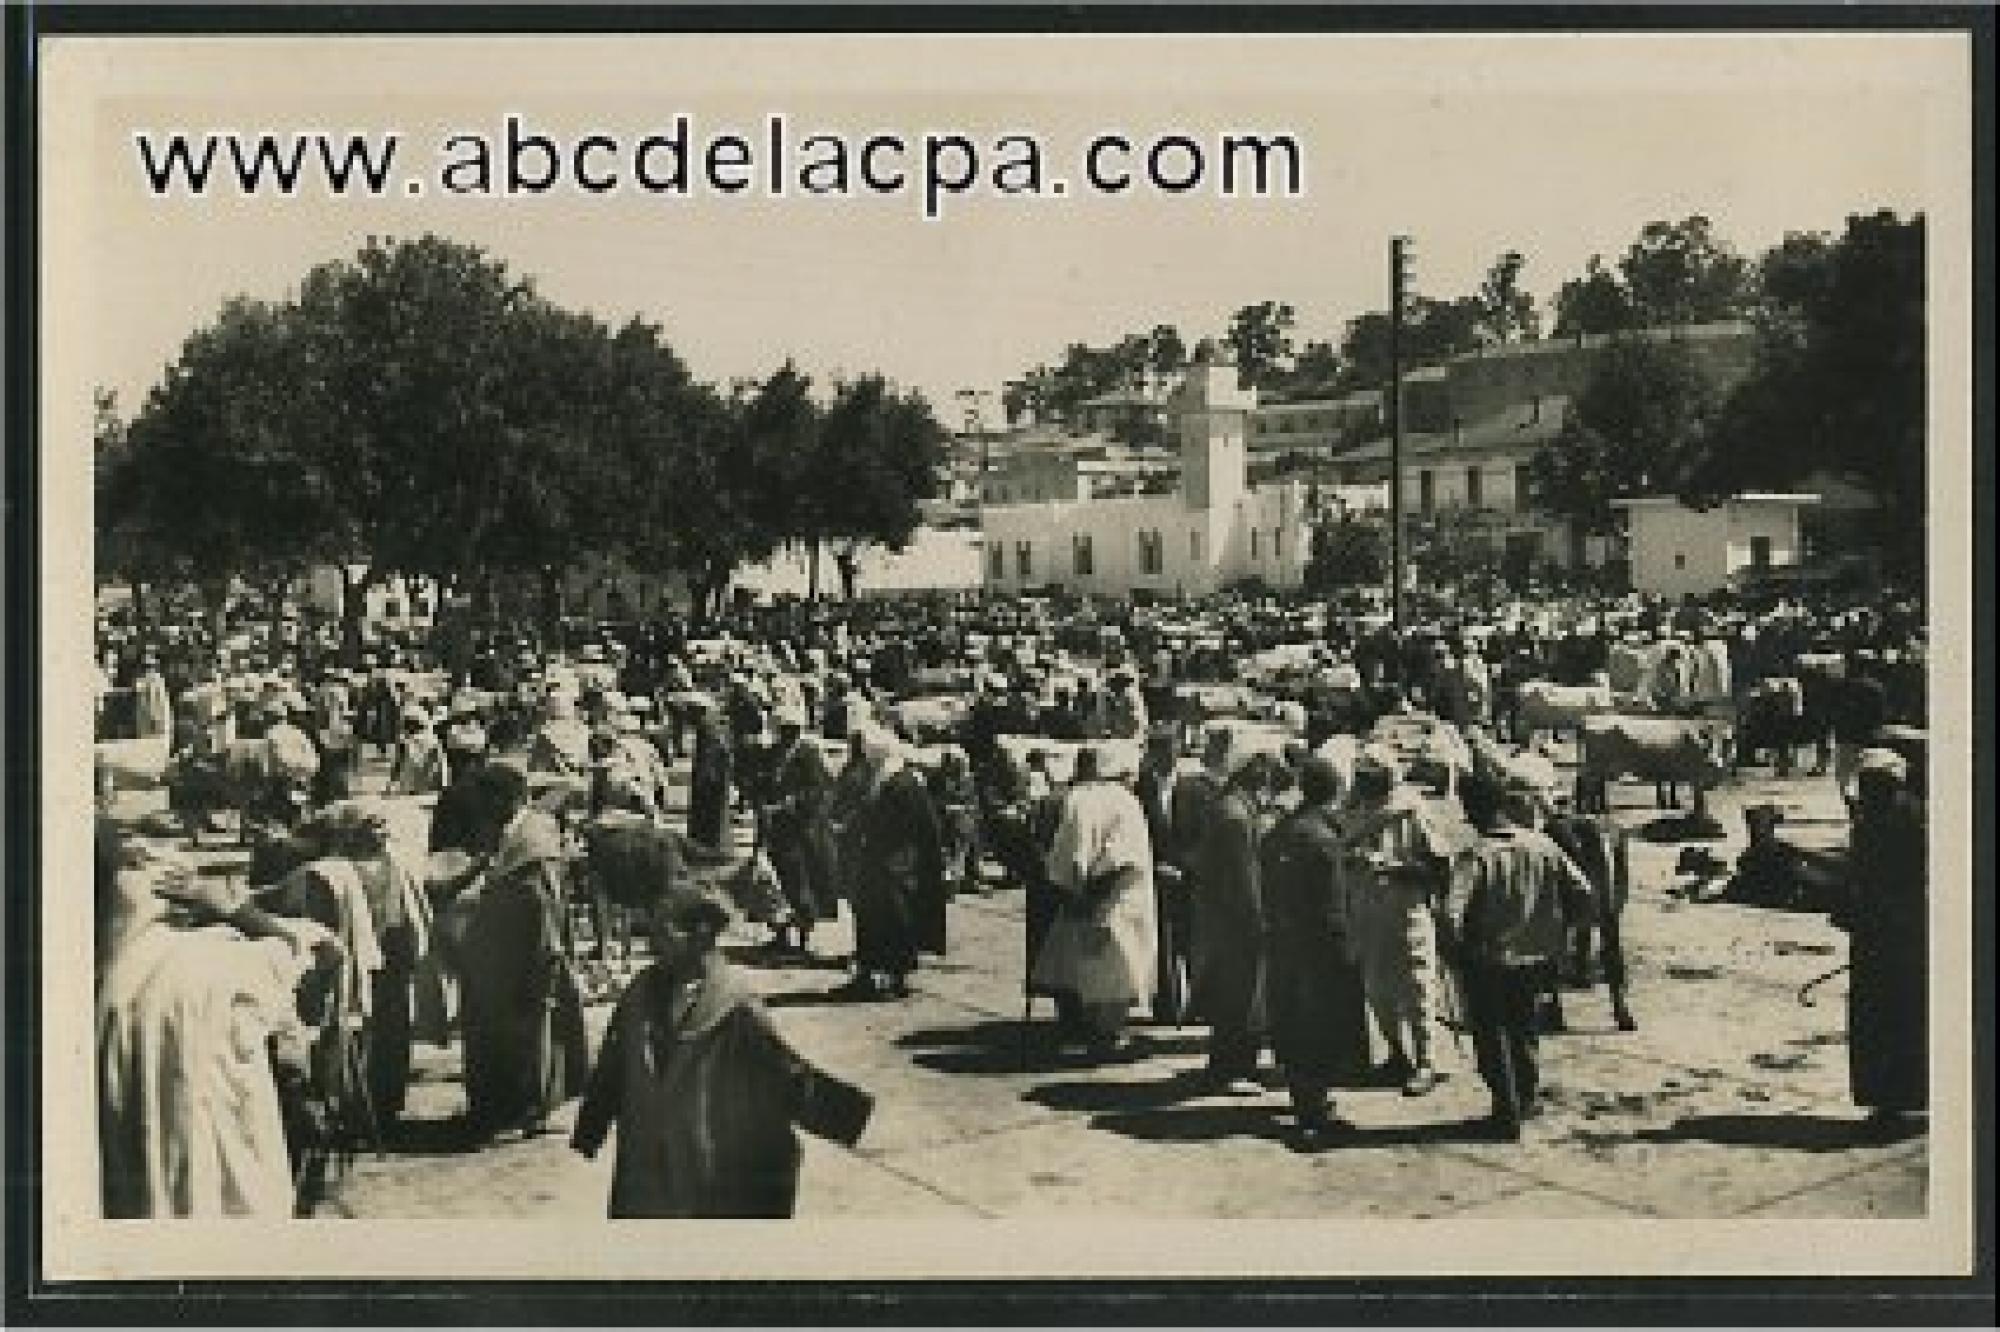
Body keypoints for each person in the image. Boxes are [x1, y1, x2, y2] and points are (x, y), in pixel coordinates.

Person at [571, 882, 874, 1217]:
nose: (652, 942)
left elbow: (781, 1072)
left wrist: (845, 1114)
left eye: (663, 931)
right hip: (643, 1160)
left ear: (700, 937)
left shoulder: (733, 1006)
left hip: (702, 1163)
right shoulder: (639, 994)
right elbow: (614, 1065)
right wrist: (591, 1125)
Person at [95, 825, 337, 1217]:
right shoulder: (220, 965)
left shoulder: (108, 982)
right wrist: (229, 906)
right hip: (222, 1186)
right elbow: (306, 955)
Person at [1438, 766, 1595, 1140]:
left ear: (1473, 811)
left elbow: (1450, 912)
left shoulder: (1476, 857)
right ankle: (1525, 1100)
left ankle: (1505, 1113)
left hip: (1488, 961)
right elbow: (1584, 891)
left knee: (1492, 1037)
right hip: (1537, 957)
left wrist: (1452, 951)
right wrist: (1563, 934)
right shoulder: (1542, 845)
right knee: (1525, 1029)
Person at [451, 763, 589, 1141]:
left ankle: (530, 1110)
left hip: (528, 952)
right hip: (506, 949)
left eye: (486, 801)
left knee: (533, 1029)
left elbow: (544, 906)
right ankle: (512, 1105)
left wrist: (545, 957)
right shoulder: (521, 832)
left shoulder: (533, 847)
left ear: (505, 800)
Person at [1260, 753, 1370, 1147]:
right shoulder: (1324, 841)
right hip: (1319, 950)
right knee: (1321, 1029)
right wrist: (1348, 953)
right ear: (1336, 792)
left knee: (1292, 1025)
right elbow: (1331, 909)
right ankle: (1313, 1113)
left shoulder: (1277, 833)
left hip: (1283, 944)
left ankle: (1306, 1101)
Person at [1338, 743, 1455, 1098]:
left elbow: (1439, 865)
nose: (1362, 784)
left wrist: (1397, 868)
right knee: (1377, 989)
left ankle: (1426, 1062)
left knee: (1417, 988)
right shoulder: (1353, 812)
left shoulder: (1411, 811)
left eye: (1369, 778)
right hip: (1367, 914)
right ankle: (1396, 1054)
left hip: (1406, 911)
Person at [1032, 745, 1160, 1056]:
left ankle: (1087, 1030)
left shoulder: (1081, 798)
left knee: (1091, 967)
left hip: (1087, 894)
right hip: (1112, 898)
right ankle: (1106, 1037)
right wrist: (1092, 895)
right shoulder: (1121, 801)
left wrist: (1074, 890)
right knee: (1113, 969)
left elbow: (1067, 856)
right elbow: (1122, 858)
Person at [1833, 748, 1927, 1132]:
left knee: (1888, 1014)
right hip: (1891, 925)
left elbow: (1895, 873)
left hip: (1890, 928)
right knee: (1895, 1014)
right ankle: (1895, 1100)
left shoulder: (1893, 818)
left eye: (1873, 783)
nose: (1868, 790)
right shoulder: (1902, 812)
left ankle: (1894, 1101)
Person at [834, 726, 945, 1001]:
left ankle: (895, 977)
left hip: (898, 864)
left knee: (897, 921)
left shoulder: (905, 783)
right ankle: (869, 973)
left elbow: (923, 827)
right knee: (871, 918)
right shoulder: (884, 779)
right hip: (878, 861)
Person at [1189, 733, 1272, 1095]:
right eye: (1262, 766)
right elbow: (1244, 880)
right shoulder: (1235, 815)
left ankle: (1233, 1066)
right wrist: (1259, 922)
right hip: (1237, 923)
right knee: (1239, 997)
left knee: (1238, 996)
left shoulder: (1233, 806)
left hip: (1225, 918)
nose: (1268, 773)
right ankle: (1230, 1070)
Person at [760, 705, 840, 956]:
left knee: (801, 883)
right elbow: (766, 781)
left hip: (801, 829)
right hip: (777, 828)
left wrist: (792, 803)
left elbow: (820, 790)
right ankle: (781, 934)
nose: (785, 736)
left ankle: (804, 937)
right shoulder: (774, 752)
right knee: (776, 882)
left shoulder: (809, 754)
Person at [687, 701, 735, 851]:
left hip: (710, 779)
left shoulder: (706, 730)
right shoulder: (716, 729)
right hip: (717, 777)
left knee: (707, 814)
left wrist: (703, 777)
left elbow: (708, 757)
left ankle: (706, 843)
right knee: (716, 813)